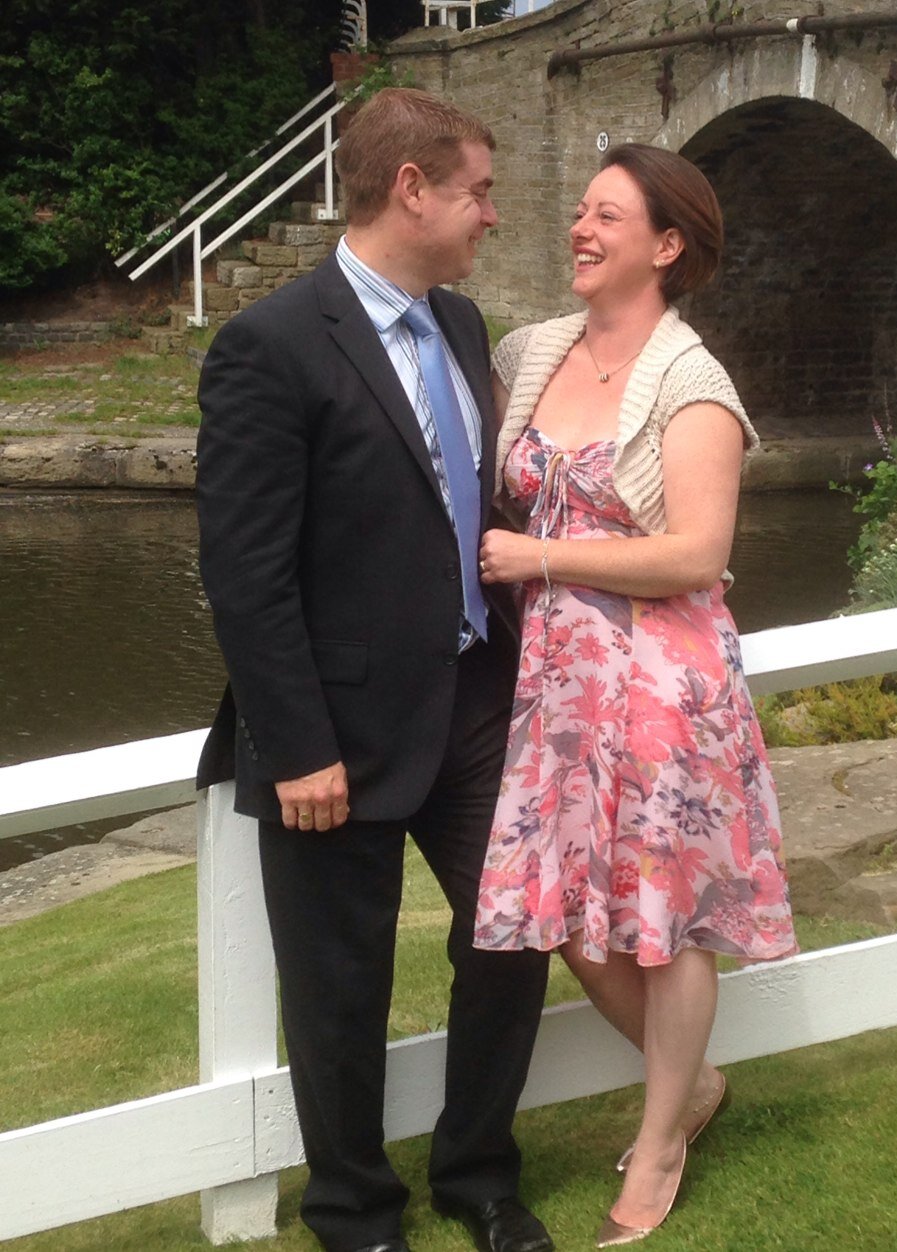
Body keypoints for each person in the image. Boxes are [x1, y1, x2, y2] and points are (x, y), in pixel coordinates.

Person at [195, 88, 553, 1252]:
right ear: (413, 190)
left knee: (509, 933)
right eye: (479, 190)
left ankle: (478, 1174)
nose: (490, 214)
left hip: (471, 703)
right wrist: (297, 744)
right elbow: (245, 573)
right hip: (333, 732)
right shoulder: (269, 344)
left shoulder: (458, 323)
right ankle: (354, 1212)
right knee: (337, 988)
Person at [473, 143, 797, 1247]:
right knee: (560, 910)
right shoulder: (528, 352)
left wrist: (538, 559)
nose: (579, 228)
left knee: (667, 926)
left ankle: (660, 1142)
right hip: (556, 689)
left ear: (665, 246)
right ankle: (691, 1086)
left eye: (605, 216)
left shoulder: (693, 380)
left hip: (664, 685)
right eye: (578, 210)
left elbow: (697, 553)